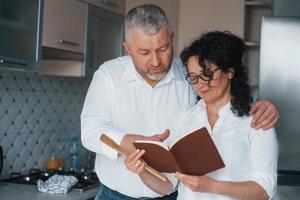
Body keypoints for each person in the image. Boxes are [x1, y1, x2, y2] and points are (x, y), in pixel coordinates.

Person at [81, 4, 279, 200]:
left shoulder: (188, 73)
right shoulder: (108, 76)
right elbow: (90, 131)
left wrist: (264, 105)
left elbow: (225, 91)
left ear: (172, 38)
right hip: (116, 195)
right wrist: (135, 149)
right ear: (128, 49)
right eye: (144, 52)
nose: (156, 61)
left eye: (163, 48)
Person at [125, 31, 278, 200]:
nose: (201, 84)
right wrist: (142, 171)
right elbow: (167, 185)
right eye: (194, 77)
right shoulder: (186, 118)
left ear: (229, 72)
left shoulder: (257, 120)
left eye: (207, 75)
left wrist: (211, 186)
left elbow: (264, 190)